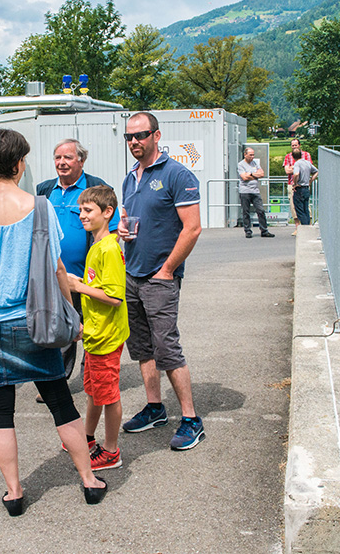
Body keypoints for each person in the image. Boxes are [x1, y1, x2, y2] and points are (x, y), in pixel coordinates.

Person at [0, 128, 107, 516]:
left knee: (0, 412)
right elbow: (56, 268)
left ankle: (15, 493)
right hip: (32, 321)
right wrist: (72, 316)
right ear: (20, 164)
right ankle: (89, 480)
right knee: (60, 403)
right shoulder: (40, 206)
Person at [118, 111, 205, 451]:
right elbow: (133, 221)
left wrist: (168, 268)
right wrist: (123, 231)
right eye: (129, 137)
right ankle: (155, 408)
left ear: (156, 135)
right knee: (141, 348)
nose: (134, 142)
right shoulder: (130, 178)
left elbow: (192, 228)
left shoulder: (177, 174)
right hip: (132, 275)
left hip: (159, 278)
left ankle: (190, 419)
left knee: (167, 347)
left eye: (140, 135)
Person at [35, 138, 117, 381]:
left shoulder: (97, 188)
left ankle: (91, 375)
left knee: (91, 327)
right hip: (55, 275)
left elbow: (109, 233)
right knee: (61, 330)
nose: (61, 163)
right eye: (58, 158)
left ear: (81, 160)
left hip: (87, 276)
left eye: (68, 157)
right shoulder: (43, 190)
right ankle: (58, 380)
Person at [66, 185, 129, 471]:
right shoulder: (97, 245)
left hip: (107, 337)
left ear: (107, 213)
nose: (82, 215)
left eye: (88, 210)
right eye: (80, 210)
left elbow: (115, 297)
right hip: (95, 334)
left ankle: (111, 451)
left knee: (108, 395)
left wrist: (78, 286)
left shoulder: (109, 249)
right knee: (93, 391)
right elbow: (98, 285)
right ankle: (88, 438)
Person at [237, 147, 274, 239]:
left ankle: (264, 230)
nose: (252, 157)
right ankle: (248, 231)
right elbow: (244, 177)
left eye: (253, 155)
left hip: (255, 191)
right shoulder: (241, 165)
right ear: (245, 155)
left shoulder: (255, 163)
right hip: (245, 191)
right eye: (250, 155)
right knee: (246, 211)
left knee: (260, 210)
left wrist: (251, 174)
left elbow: (261, 174)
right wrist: (255, 175)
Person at [283, 138, 313, 236]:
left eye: (296, 145)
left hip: (303, 183)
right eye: (293, 145)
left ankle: (308, 225)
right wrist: (299, 168)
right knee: (293, 206)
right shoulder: (288, 156)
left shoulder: (306, 155)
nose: (294, 147)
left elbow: (308, 169)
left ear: (299, 145)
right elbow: (287, 171)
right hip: (291, 183)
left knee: (305, 206)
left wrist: (295, 167)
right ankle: (297, 227)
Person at [291, 156, 318, 230]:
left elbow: (296, 174)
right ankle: (308, 226)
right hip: (306, 188)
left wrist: (295, 183)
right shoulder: (307, 163)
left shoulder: (297, 163)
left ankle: (305, 228)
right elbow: (316, 171)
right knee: (306, 209)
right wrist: (311, 180)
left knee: (300, 210)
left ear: (293, 156)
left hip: (299, 189)